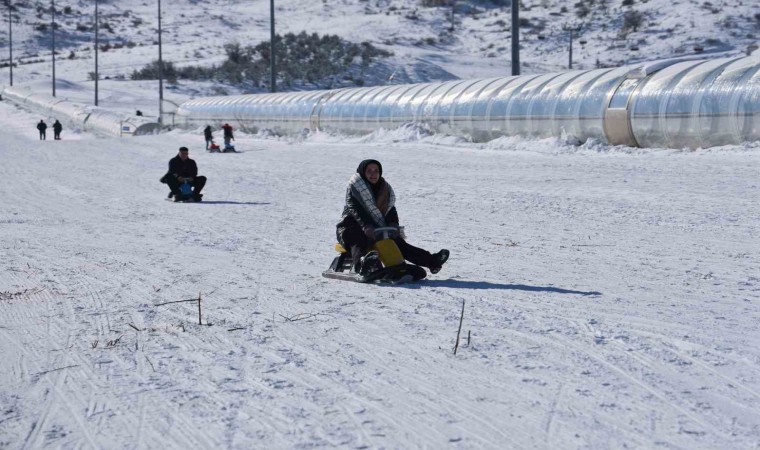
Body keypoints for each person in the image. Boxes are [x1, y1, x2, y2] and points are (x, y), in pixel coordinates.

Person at [336, 159, 449, 275]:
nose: (373, 174)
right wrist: (366, 225)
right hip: (350, 227)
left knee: (398, 243)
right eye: (369, 171)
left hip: (376, 228)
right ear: (362, 172)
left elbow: (390, 209)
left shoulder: (385, 189)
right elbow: (356, 209)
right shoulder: (354, 189)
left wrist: (393, 224)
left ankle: (432, 261)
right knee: (358, 240)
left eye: (376, 171)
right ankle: (362, 265)